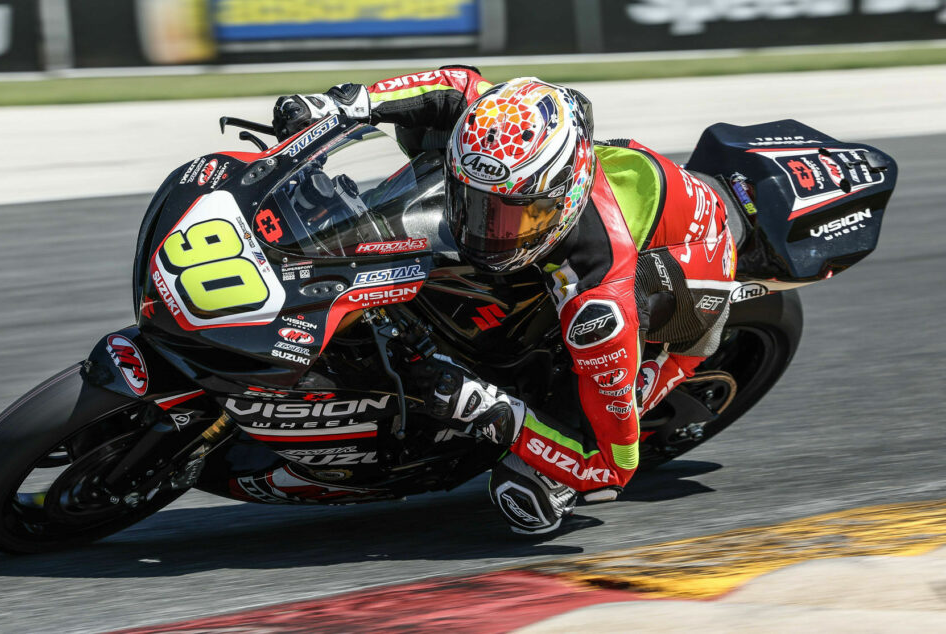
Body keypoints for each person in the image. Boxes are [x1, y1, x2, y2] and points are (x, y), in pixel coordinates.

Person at [272, 66, 736, 534]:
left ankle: (656, 376)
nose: (484, 232)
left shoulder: (598, 301)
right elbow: (456, 86)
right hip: (628, 185)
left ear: (562, 200)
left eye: (512, 218)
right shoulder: (497, 129)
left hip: (684, 272)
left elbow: (614, 467)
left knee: (531, 490)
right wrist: (345, 104)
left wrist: (491, 409)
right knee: (424, 133)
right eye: (473, 205)